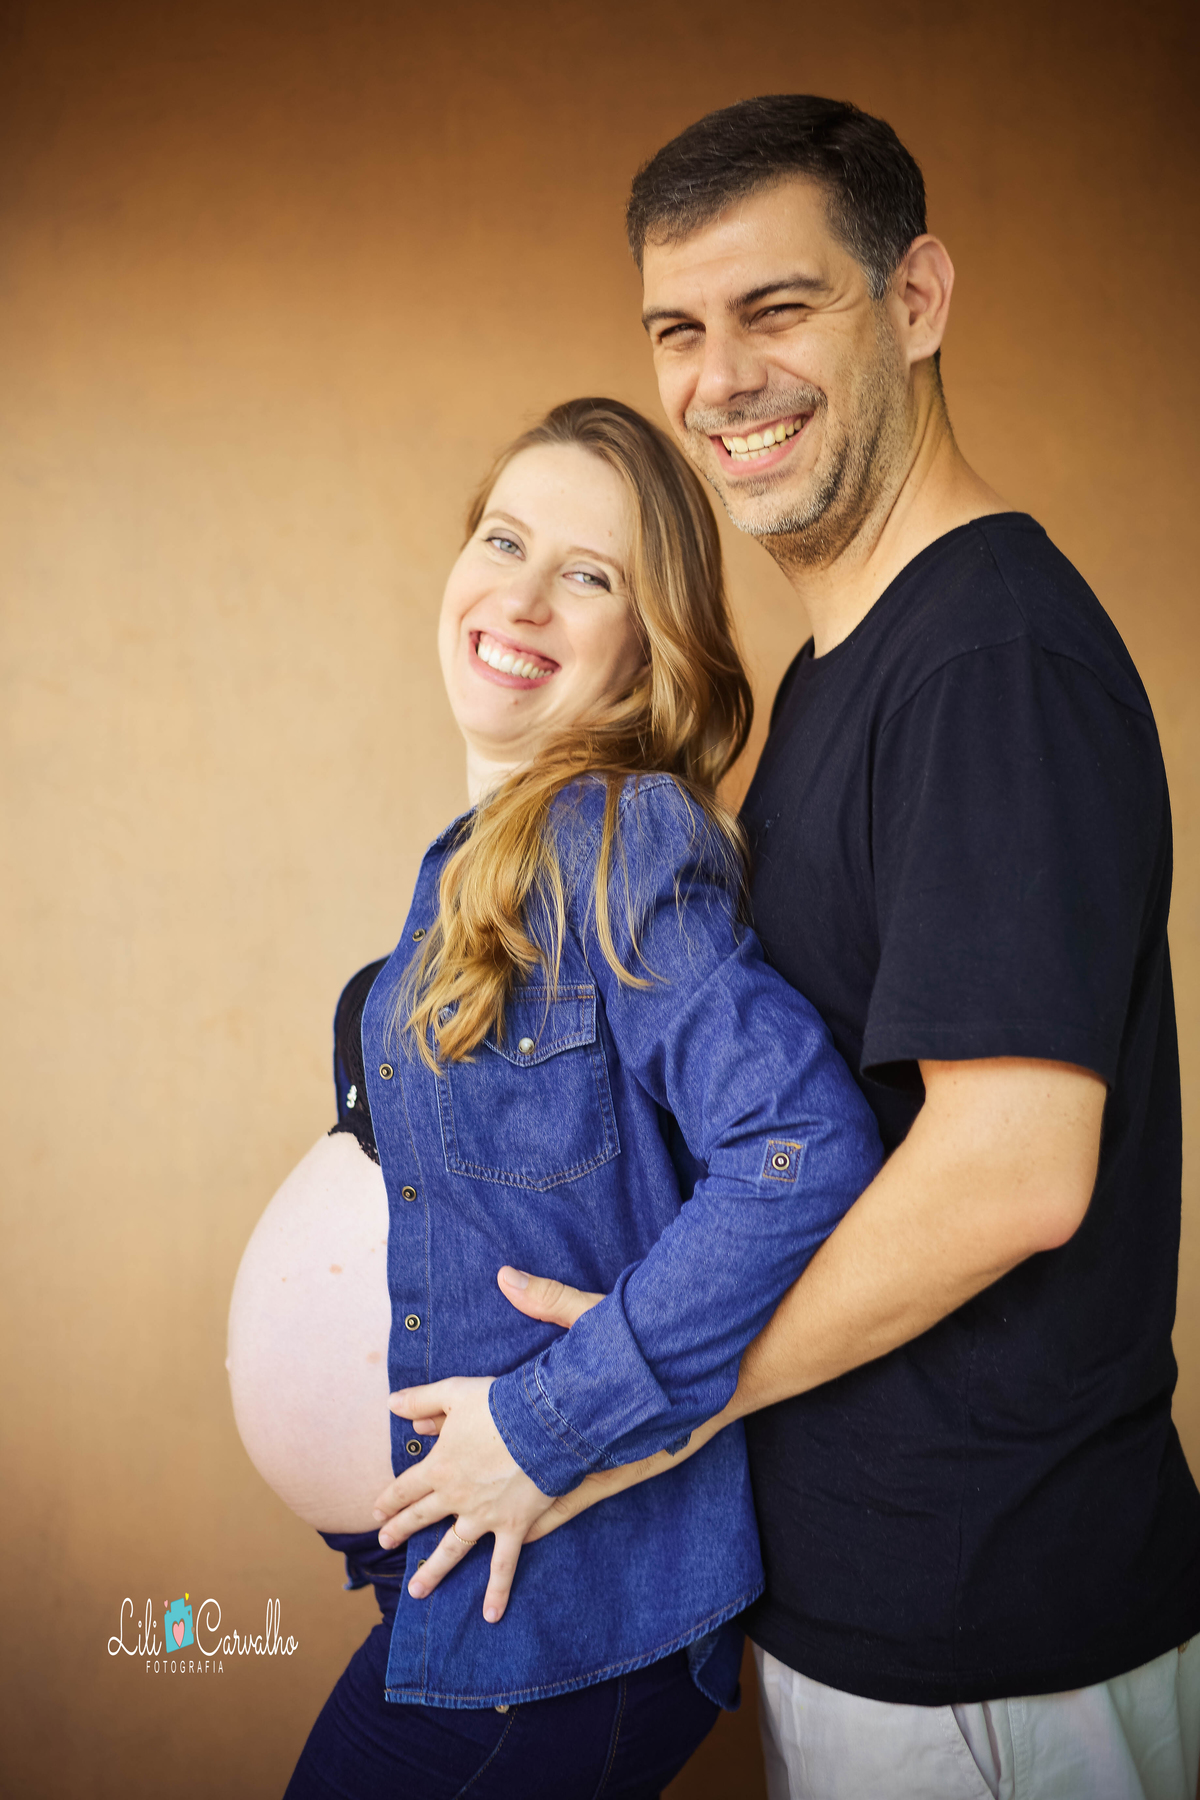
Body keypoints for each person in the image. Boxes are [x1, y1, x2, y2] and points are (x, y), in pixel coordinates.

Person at [391, 98, 1200, 1799]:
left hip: (1000, 1635)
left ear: (917, 299)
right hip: (862, 1608)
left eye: (780, 310)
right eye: (679, 329)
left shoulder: (990, 660)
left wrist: (614, 1409)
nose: (721, 381)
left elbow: (1013, 1173)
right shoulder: (843, 676)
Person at [280, 396, 882, 1799]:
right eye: (505, 538)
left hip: (563, 1613)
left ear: (646, 650)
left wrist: (548, 1423)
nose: (523, 594)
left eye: (591, 574)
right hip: (472, 1590)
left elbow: (798, 1143)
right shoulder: (479, 867)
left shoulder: (615, 840)